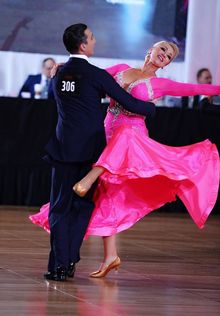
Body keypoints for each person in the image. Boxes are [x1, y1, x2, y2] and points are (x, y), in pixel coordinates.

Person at [30, 40, 220, 278]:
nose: (164, 55)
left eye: (168, 56)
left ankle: (90, 178)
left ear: (167, 64)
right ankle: (110, 256)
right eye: (163, 50)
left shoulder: (161, 83)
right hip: (107, 133)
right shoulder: (121, 69)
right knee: (107, 198)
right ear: (151, 50)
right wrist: (66, 67)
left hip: (132, 139)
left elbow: (191, 89)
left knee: (123, 140)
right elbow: (89, 77)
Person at [40, 23, 155, 282]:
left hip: (62, 149)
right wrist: (151, 110)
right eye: (91, 37)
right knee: (81, 208)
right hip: (90, 152)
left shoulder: (58, 73)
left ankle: (59, 265)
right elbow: (127, 102)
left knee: (59, 209)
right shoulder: (96, 74)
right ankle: (68, 262)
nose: (95, 40)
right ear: (82, 45)